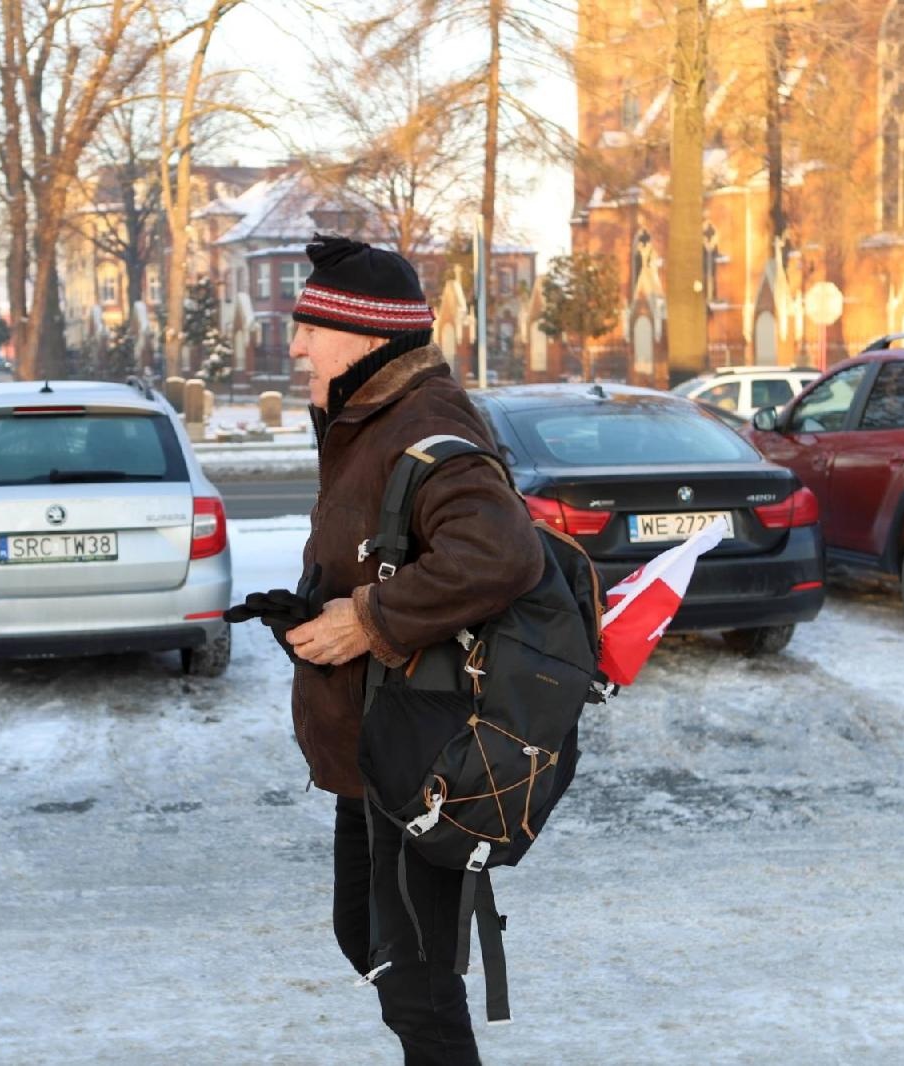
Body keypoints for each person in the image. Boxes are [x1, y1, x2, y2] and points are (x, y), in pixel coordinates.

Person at [279, 235, 543, 1065]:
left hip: (419, 746)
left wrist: (368, 621)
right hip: (371, 746)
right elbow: (389, 551)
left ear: (363, 337)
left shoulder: (425, 421)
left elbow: (500, 553)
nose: (295, 348)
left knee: (417, 982)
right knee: (370, 941)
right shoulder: (367, 420)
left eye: (309, 329)